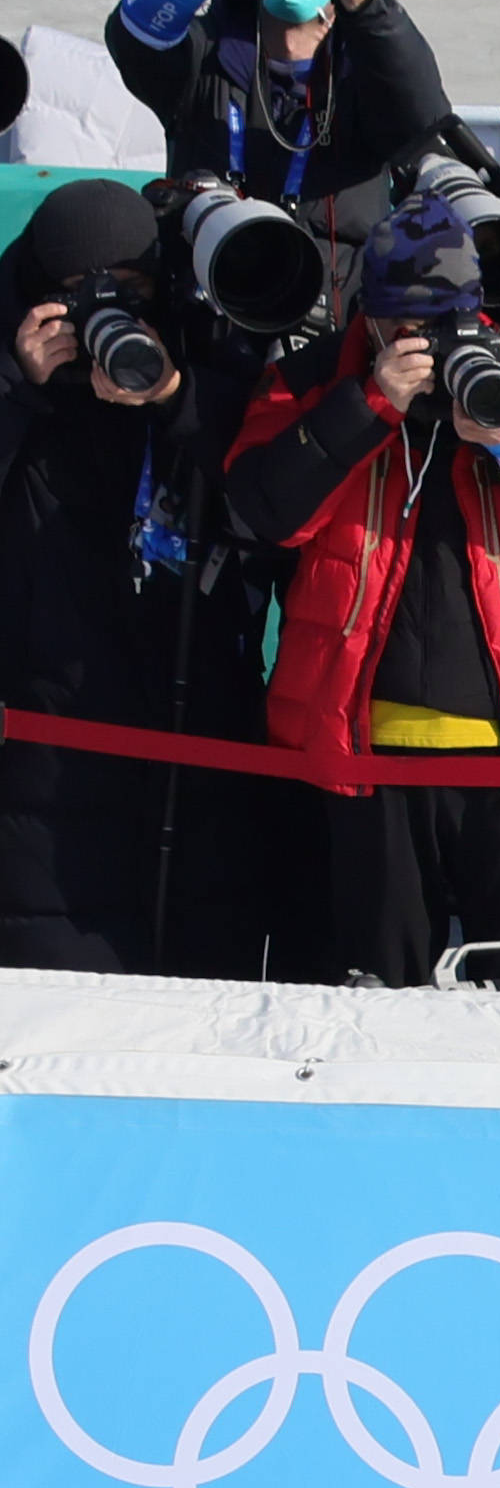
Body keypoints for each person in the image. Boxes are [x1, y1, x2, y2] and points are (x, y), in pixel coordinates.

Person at [228, 190, 500, 987]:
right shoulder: (309, 382)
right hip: (364, 751)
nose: (424, 341)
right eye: (403, 324)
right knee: (379, 996)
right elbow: (263, 512)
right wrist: (369, 401)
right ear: (367, 317)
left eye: (444, 321)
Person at [0, 178, 270, 972]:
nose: (105, 314)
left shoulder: (201, 367)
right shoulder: (16, 380)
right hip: (45, 766)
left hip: (197, 742)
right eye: (80, 297)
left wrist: (175, 398)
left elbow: (273, 500)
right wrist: (17, 390)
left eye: (131, 291)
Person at [105, 0, 449, 266]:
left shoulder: (366, 66)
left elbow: (423, 117)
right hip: (211, 305)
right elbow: (132, 31)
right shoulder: (204, 58)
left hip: (335, 314)